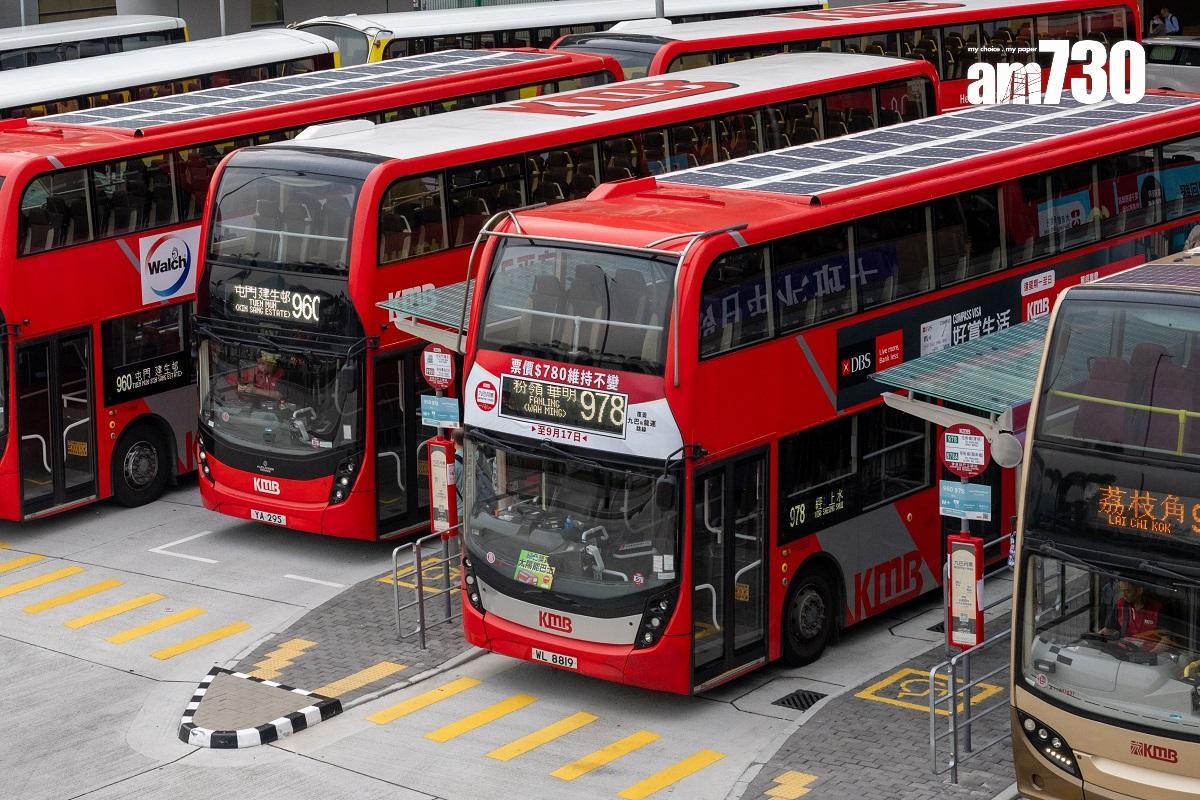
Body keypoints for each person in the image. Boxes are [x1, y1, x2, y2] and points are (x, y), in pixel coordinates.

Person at [1100, 580, 1174, 652]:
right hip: (1125, 653)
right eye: (1122, 591)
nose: (1124, 595)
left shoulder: (1157, 608)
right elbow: (1107, 630)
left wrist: (1150, 655)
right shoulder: (1120, 605)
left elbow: (1166, 639)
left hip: (1152, 656)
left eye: (1127, 591)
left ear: (1139, 590)